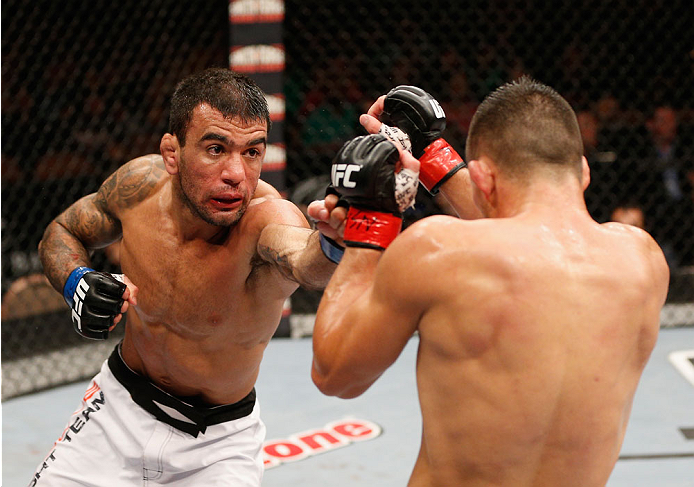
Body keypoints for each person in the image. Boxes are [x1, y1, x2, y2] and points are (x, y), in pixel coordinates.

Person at [308, 78, 670, 487]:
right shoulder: (644, 261)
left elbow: (335, 374)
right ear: (584, 172)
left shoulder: (436, 251)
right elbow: (528, 241)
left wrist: (370, 219)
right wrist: (431, 156)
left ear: (482, 178)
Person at [31, 68, 341, 486]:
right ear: (172, 153)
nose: (236, 173)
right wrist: (76, 281)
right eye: (216, 149)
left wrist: (336, 242)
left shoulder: (267, 218)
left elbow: (305, 262)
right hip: (117, 410)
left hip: (217, 447)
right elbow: (63, 232)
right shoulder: (138, 188)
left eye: (252, 152)